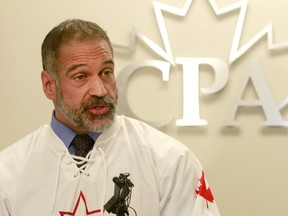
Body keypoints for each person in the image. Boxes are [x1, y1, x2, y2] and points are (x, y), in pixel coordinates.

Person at [0, 19, 220, 216]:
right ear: (49, 86)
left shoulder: (170, 160)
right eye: (80, 76)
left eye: (106, 72)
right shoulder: (8, 172)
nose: (99, 90)